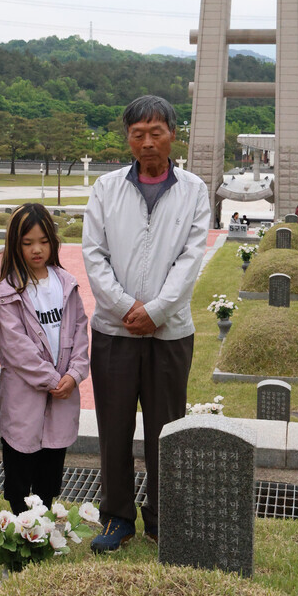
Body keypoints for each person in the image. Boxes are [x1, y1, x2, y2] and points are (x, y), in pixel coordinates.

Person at [82, 95, 210, 552]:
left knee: (166, 426)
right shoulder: (106, 188)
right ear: (128, 138)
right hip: (114, 333)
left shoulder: (194, 190)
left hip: (169, 332)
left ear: (174, 134)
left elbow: (191, 259)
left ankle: (162, 517)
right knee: (113, 428)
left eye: (156, 132)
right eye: (138, 134)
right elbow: (94, 255)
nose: (148, 142)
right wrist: (124, 308)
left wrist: (155, 311)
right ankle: (116, 517)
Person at [0, 203, 89, 516]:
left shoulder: (66, 284)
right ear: (15, 245)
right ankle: (22, 528)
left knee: (51, 462)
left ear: (53, 242)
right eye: (27, 243)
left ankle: (45, 520)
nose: (36, 249)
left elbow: (79, 330)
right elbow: (15, 346)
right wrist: (50, 379)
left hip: (63, 391)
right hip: (26, 394)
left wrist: (73, 374)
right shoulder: (10, 291)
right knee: (21, 463)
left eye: (43, 241)